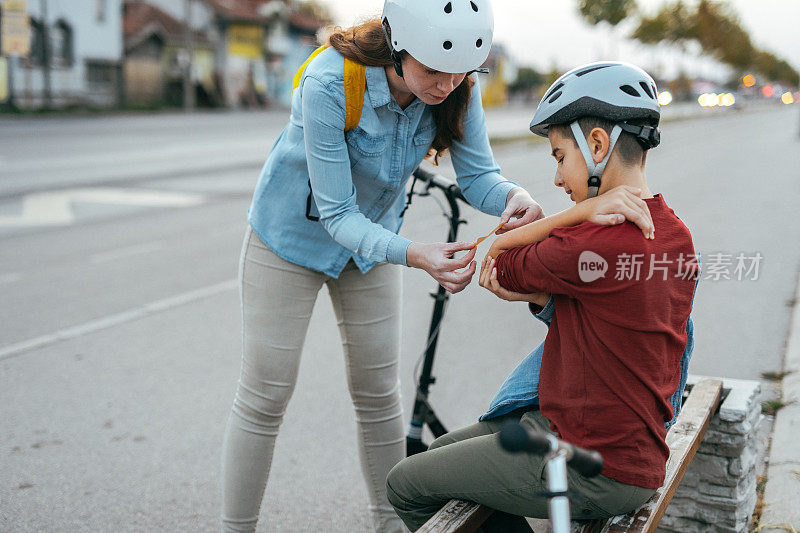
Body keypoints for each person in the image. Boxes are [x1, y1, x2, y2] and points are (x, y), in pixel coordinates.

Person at [219, 1, 554, 531]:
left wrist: (514, 195)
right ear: (399, 47)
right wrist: (417, 254)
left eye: (460, 71)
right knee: (266, 394)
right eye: (434, 70)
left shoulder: (457, 88)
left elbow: (479, 179)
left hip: (369, 246)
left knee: (378, 395)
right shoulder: (330, 83)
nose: (446, 85)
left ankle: (391, 524)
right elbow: (337, 214)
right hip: (288, 240)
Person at [385, 62, 700, 531]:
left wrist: (588, 209)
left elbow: (498, 259)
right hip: (611, 437)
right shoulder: (675, 232)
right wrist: (542, 297)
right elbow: (612, 318)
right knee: (437, 458)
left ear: (597, 145)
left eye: (559, 156)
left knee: (406, 484)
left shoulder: (593, 240)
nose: (556, 179)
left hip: (594, 462)